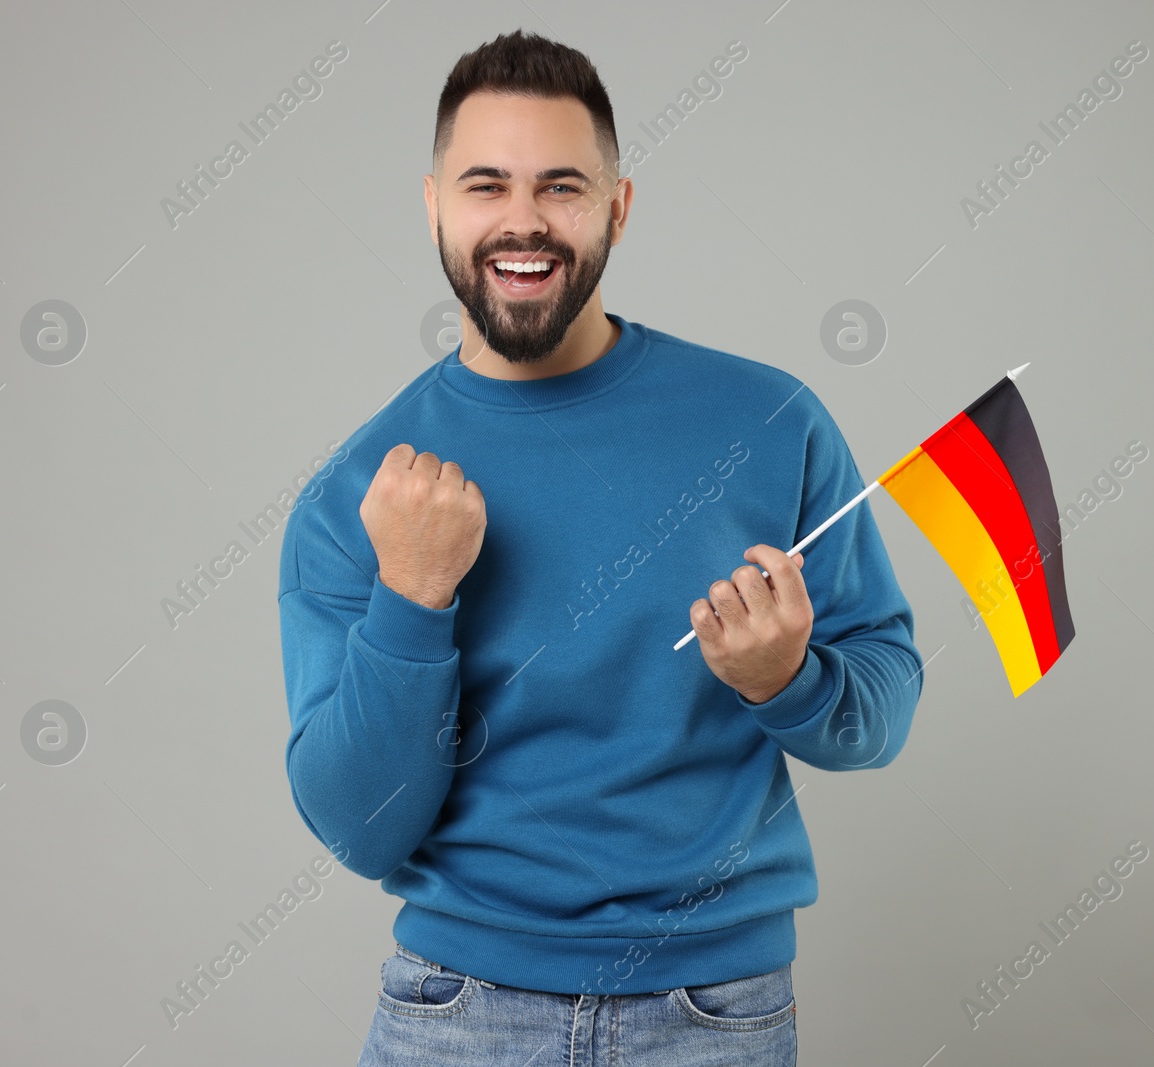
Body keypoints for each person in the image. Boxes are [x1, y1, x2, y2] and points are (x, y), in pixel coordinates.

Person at [277, 28, 923, 1066]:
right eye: (486, 184)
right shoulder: (361, 491)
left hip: (718, 1013)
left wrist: (787, 678)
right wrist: (413, 589)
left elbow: (881, 709)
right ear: (434, 204)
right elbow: (362, 829)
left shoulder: (769, 420)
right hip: (458, 1014)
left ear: (618, 208)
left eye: (562, 186)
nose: (523, 220)